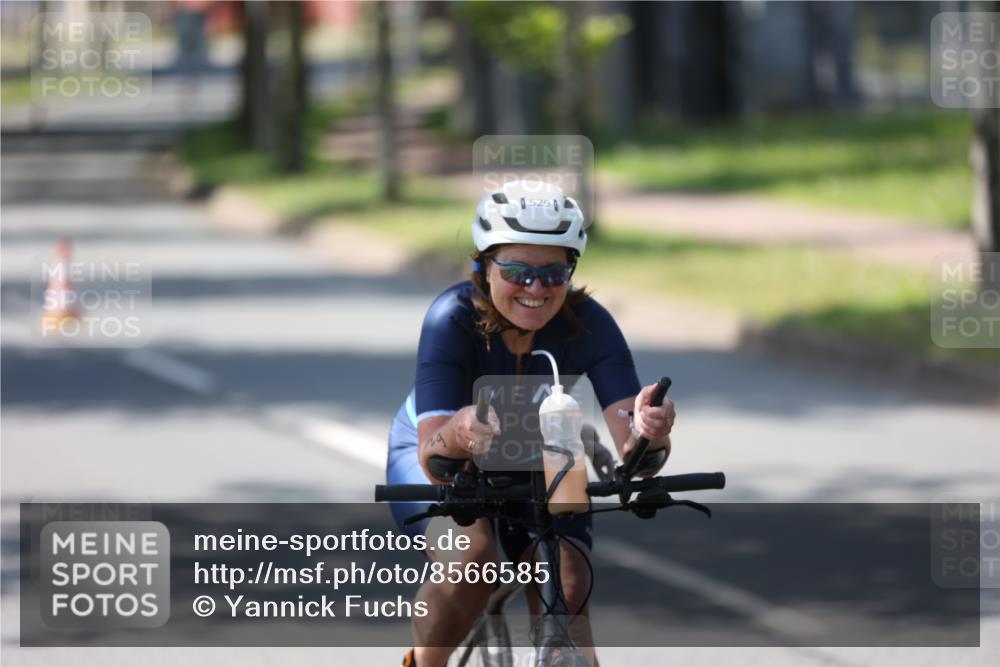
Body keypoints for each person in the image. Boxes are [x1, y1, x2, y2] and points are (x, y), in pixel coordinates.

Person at [388, 180, 676, 667]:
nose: (537, 289)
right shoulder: (450, 318)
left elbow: (638, 457)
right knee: (470, 562)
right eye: (517, 271)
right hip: (446, 447)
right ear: (483, 267)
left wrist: (652, 432)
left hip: (544, 447)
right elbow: (432, 457)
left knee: (569, 583)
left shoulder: (590, 323)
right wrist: (462, 430)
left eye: (554, 273)